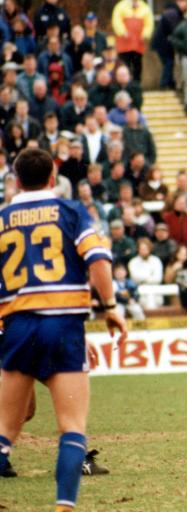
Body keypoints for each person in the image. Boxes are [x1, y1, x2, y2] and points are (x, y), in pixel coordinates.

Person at [0, 148, 128, 507]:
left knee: (6, 429)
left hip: (17, 326)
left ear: (16, 180)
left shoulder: (2, 217)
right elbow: (99, 260)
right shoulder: (70, 212)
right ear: (54, 177)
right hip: (63, 324)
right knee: (71, 426)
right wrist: (111, 308)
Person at [110, 0, 153, 79]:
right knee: (124, 65)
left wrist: (145, 34)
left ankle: (136, 85)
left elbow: (149, 24)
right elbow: (116, 21)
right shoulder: (121, 6)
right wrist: (122, 32)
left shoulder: (145, 8)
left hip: (138, 44)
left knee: (137, 66)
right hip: (124, 44)